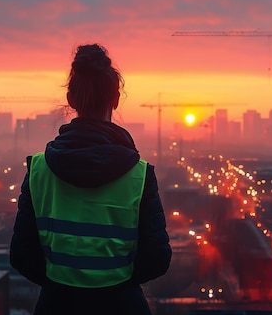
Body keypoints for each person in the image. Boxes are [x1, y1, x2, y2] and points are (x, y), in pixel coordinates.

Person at [10, 43, 172, 314]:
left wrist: (61, 285)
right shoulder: (139, 174)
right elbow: (157, 259)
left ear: (71, 100)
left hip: (57, 305)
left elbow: (22, 254)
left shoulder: (38, 170)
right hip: (122, 305)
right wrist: (116, 285)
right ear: (115, 99)